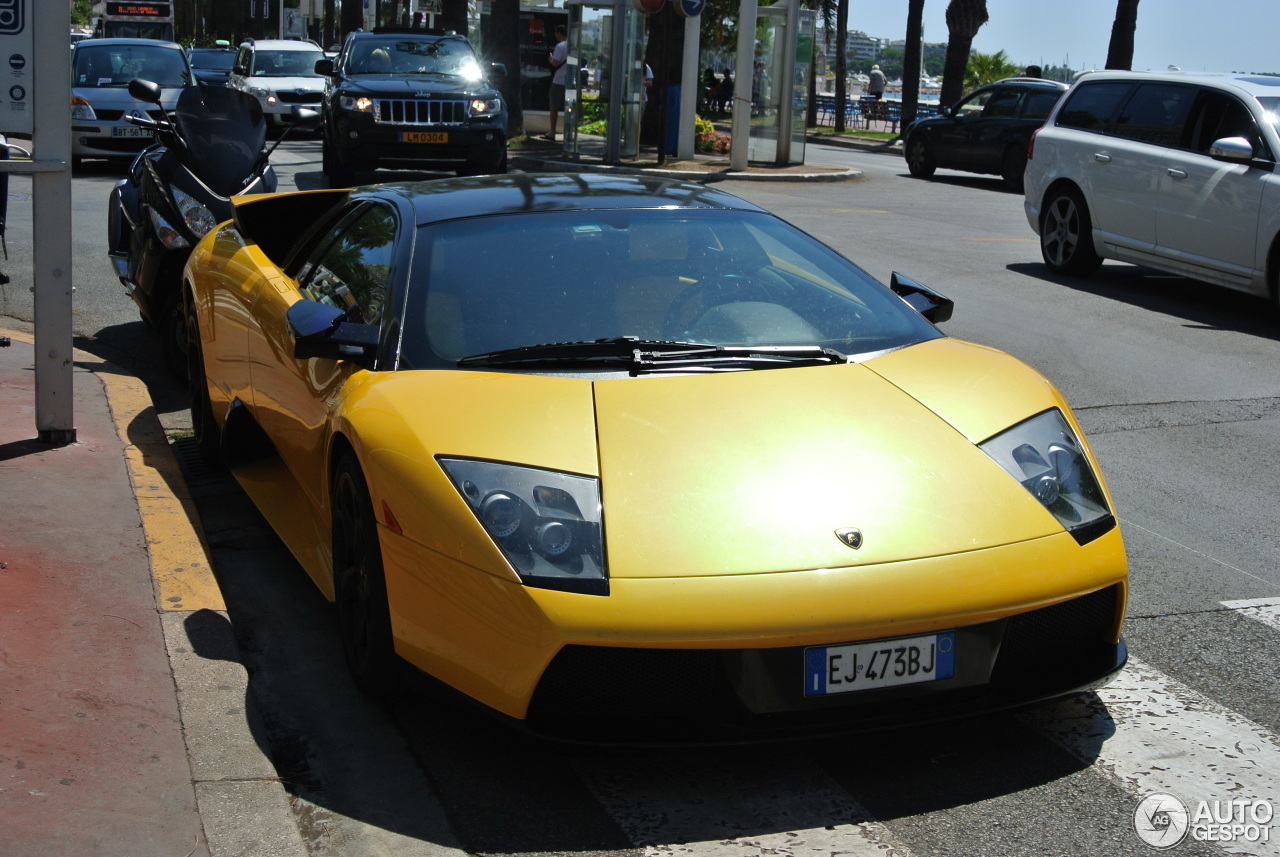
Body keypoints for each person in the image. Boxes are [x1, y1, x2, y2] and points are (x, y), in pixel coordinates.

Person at [544, 25, 568, 142]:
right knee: (570, 108)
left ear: (559, 33)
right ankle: (569, 134)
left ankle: (552, 132)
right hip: (570, 81)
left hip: (558, 81)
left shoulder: (560, 46)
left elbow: (555, 63)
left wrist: (550, 58)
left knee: (553, 107)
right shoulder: (573, 46)